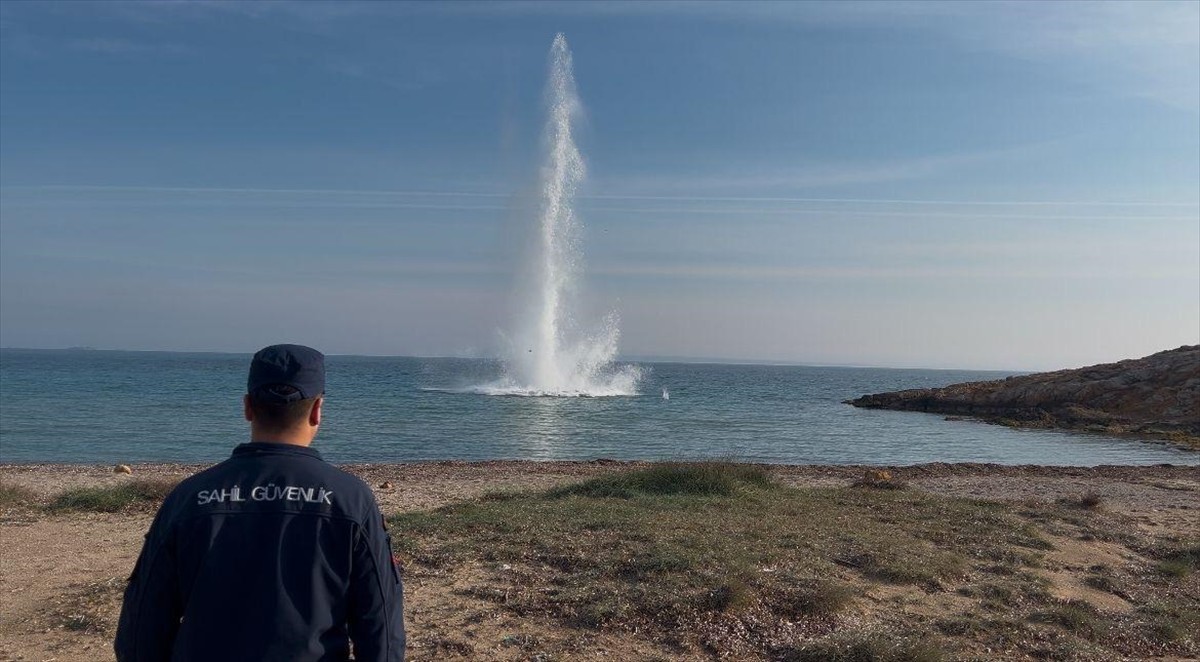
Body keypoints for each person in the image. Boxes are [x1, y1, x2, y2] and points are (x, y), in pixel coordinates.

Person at [115, 344, 405, 661]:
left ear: (248, 407)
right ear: (317, 410)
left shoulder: (189, 498)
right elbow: (381, 629)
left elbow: (141, 630)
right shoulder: (350, 499)